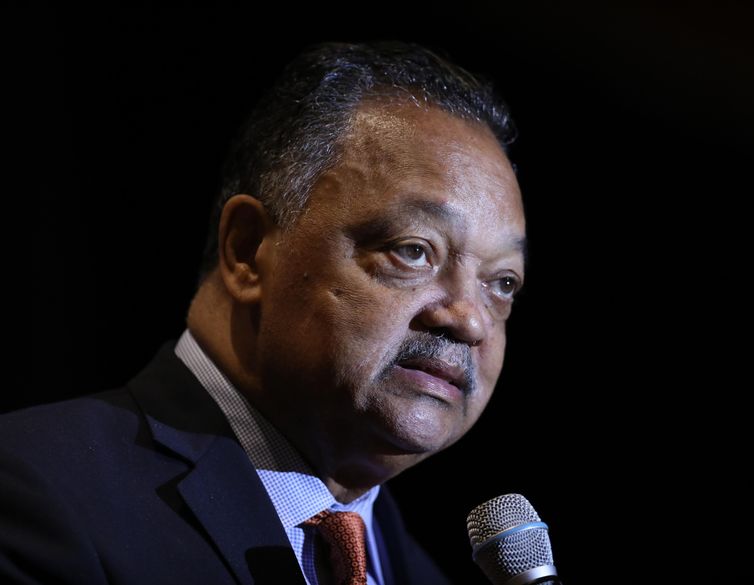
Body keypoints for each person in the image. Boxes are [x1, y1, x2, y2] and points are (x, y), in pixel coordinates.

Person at [0, 41, 526, 584]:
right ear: (248, 250)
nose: (470, 320)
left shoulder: (421, 575)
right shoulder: (37, 494)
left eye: (502, 283)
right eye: (414, 250)